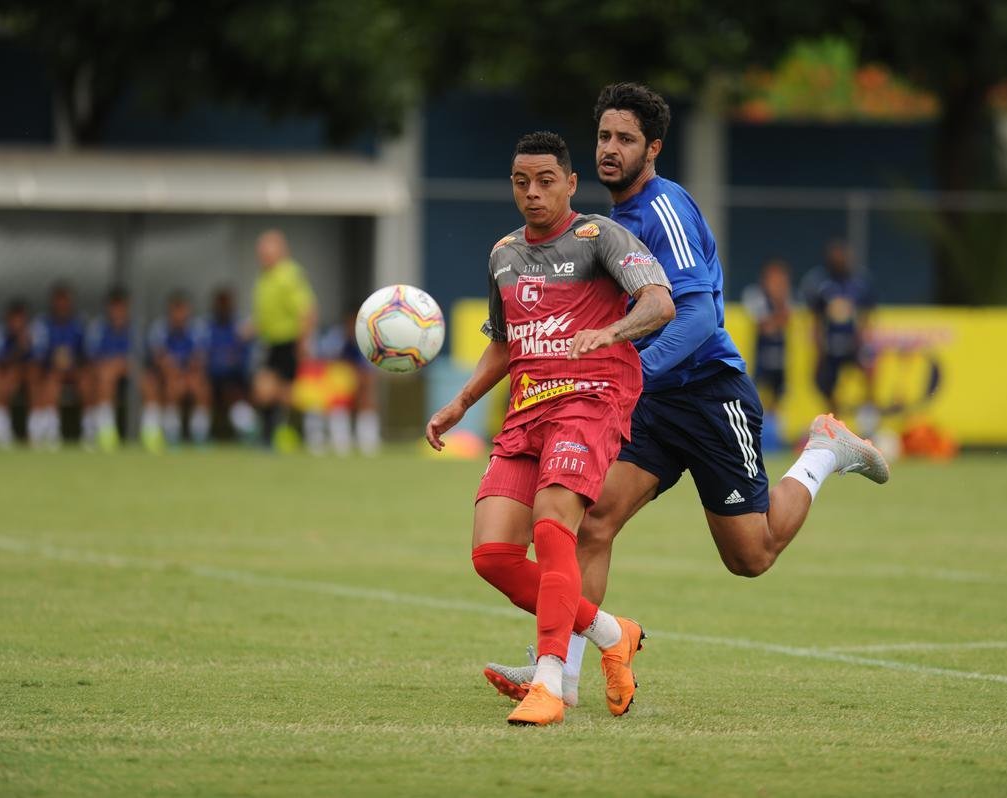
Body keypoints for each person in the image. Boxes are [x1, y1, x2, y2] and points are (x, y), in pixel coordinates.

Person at [484, 83, 890, 706]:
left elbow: (698, 316)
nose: (610, 149)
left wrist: (630, 373)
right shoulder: (606, 224)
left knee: (751, 555)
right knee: (591, 521)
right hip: (650, 400)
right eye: (604, 136)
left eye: (625, 139)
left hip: (707, 394)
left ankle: (824, 451)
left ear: (653, 149)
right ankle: (558, 676)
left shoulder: (663, 207)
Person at [425, 131, 675, 726]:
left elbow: (660, 302)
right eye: (521, 183)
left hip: (590, 400)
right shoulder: (503, 254)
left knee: (553, 527)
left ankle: (549, 683)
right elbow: (504, 343)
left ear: (570, 183)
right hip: (526, 410)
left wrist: (610, 332)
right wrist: (461, 403)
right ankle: (613, 632)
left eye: (544, 181)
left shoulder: (600, 237)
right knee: (493, 555)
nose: (532, 193)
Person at [249, 230, 316, 449]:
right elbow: (268, 312)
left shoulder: (289, 275)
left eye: (267, 250)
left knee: (282, 392)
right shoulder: (265, 276)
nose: (262, 255)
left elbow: (306, 309)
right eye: (261, 251)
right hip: (271, 342)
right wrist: (253, 327)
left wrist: (303, 341)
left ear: (280, 251)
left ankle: (306, 431)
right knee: (268, 391)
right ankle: (273, 435)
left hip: (289, 342)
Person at [800, 239, 877, 420]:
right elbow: (816, 319)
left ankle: (868, 416)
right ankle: (834, 416)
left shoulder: (859, 282)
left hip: (853, 344)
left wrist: (863, 340)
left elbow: (866, 314)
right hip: (830, 346)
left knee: (869, 373)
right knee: (823, 382)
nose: (839, 258)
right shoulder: (820, 283)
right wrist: (818, 348)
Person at [140, 292, 211, 450]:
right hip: (165, 377)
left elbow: (199, 359)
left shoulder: (198, 329)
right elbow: (159, 359)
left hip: (189, 375)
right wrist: (175, 374)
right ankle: (170, 433)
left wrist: (185, 376)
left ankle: (200, 433)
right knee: (163, 383)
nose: (179, 315)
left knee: (200, 386)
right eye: (175, 310)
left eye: (182, 310)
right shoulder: (159, 329)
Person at [28, 282, 88, 449]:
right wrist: (55, 362)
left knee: (89, 379)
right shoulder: (41, 324)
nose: (62, 304)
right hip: (48, 371)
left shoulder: (79, 324)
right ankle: (45, 430)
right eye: (59, 300)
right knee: (44, 377)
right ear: (52, 302)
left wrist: (71, 363)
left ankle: (92, 430)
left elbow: (87, 355)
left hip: (74, 371)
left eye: (65, 300)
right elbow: (37, 356)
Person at [740, 259, 792, 451]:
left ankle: (773, 437)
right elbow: (765, 326)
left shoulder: (785, 297)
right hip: (761, 356)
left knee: (778, 397)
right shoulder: (755, 295)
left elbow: (786, 319)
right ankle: (752, 435)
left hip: (780, 355)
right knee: (756, 395)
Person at [315, 310, 380, 455]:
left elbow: (369, 369)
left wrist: (358, 378)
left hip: (359, 378)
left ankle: (368, 442)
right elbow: (324, 363)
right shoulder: (335, 338)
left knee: (367, 392)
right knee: (336, 394)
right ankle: (339, 441)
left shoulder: (369, 338)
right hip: (335, 382)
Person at [83, 286, 133, 451]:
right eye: (114, 306)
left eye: (121, 306)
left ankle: (153, 431)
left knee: (150, 381)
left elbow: (140, 358)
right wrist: (112, 364)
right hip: (102, 373)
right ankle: (105, 430)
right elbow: (92, 357)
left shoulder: (134, 328)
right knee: (103, 376)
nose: (117, 311)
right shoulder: (97, 328)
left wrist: (122, 364)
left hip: (130, 373)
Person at [205, 288, 256, 441]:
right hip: (212, 379)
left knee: (235, 392)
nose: (223, 307)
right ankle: (201, 435)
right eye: (221, 303)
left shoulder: (241, 328)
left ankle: (247, 432)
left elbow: (246, 358)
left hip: (236, 379)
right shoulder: (206, 328)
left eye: (226, 303)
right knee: (201, 388)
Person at [0, 300, 34, 447]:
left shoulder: (34, 334)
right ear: (8, 319)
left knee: (33, 375)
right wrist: (19, 348)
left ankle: (38, 429)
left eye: (21, 319)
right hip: (3, 376)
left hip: (29, 377)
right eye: (14, 319)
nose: (17, 323)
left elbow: (40, 362)